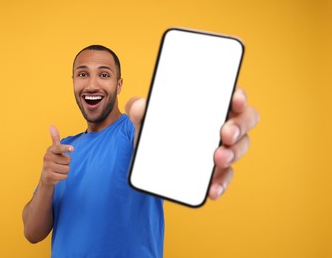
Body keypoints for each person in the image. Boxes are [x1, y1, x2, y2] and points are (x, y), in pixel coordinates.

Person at [22, 45, 259, 257]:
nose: (92, 84)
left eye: (104, 75)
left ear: (119, 84)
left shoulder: (131, 131)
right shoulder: (63, 150)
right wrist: (46, 181)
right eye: (83, 74)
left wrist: (204, 130)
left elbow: (160, 141)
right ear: (73, 81)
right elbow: (32, 233)